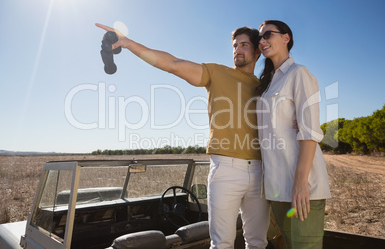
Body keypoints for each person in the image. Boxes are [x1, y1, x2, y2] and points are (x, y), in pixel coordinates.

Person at [95, 23, 270, 249]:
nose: (237, 49)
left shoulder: (265, 87)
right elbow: (173, 64)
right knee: (222, 243)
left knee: (258, 242)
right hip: (227, 168)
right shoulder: (217, 73)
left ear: (257, 51)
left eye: (244, 45)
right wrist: (128, 44)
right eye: (235, 45)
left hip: (259, 170)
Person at [255, 20, 331, 249]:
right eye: (259, 38)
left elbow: (309, 132)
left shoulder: (299, 74)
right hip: (277, 190)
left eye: (268, 35)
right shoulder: (268, 83)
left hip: (301, 189)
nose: (262, 41)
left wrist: (300, 183)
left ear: (286, 37)